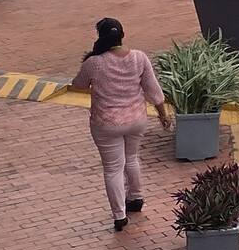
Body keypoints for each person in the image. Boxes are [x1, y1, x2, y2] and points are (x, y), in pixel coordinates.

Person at [69, 18, 172, 232]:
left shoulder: (94, 63)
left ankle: (119, 216)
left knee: (113, 168)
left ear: (100, 37)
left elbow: (78, 85)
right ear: (122, 35)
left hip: (106, 124)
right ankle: (136, 197)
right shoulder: (139, 57)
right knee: (131, 158)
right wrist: (163, 115)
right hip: (136, 120)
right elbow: (153, 90)